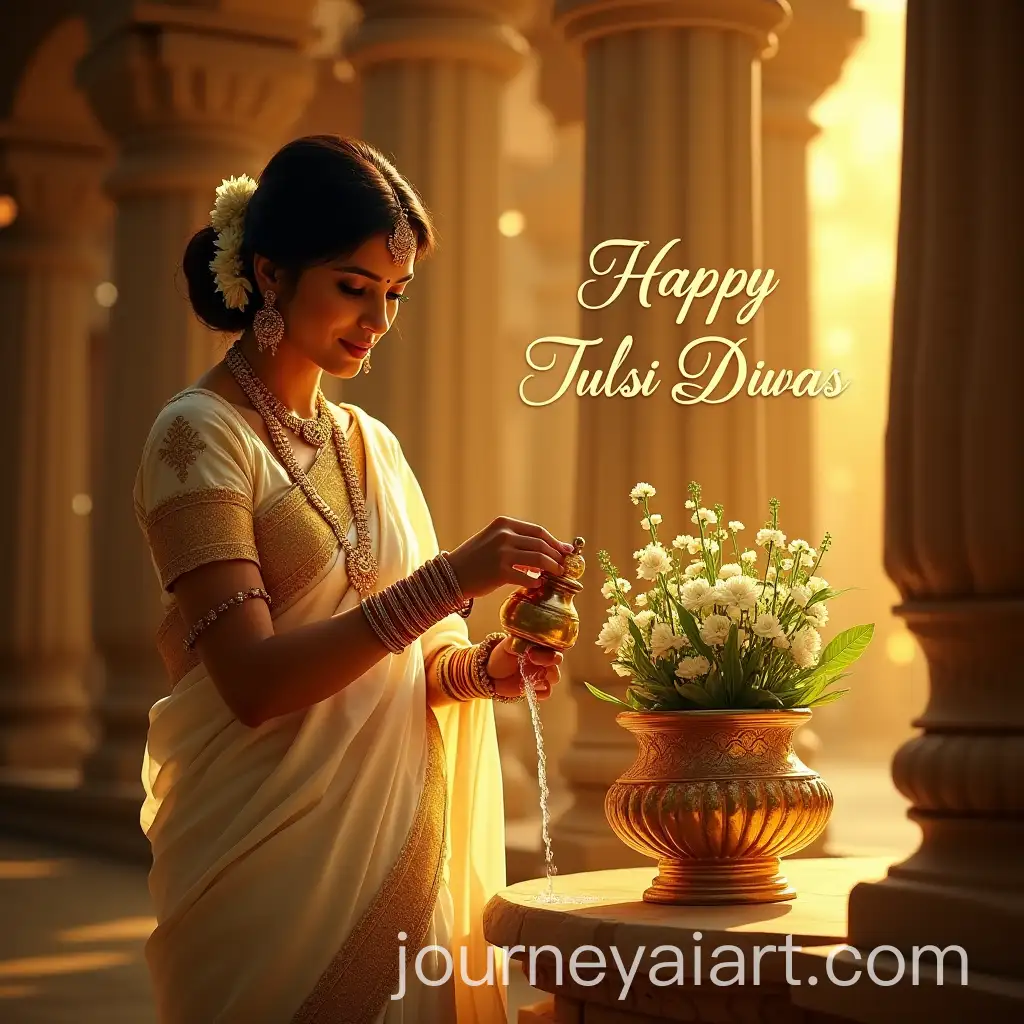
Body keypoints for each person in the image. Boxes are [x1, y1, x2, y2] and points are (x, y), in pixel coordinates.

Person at [132, 135, 573, 1024]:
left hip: (392, 851)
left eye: (395, 294)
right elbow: (254, 685)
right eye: (352, 287)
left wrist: (485, 668)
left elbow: (416, 666)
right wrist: (449, 580)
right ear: (269, 272)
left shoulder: (370, 445)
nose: (377, 319)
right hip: (260, 862)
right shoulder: (197, 437)